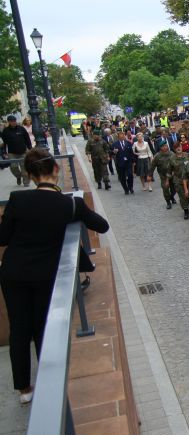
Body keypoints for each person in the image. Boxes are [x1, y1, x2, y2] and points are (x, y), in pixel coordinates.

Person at [0, 147, 109, 403]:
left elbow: (3, 237)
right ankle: (50, 381)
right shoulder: (71, 204)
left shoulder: (17, 199)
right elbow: (102, 226)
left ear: (30, 175)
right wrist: (76, 217)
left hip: (13, 272)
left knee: (19, 329)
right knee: (41, 326)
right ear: (56, 170)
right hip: (45, 274)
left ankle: (24, 389)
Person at [1, 115, 32, 186]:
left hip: (23, 151)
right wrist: (4, 153)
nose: (14, 122)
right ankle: (18, 176)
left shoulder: (21, 129)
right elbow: (4, 143)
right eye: (12, 121)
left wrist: (29, 148)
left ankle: (26, 182)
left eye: (15, 121)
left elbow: (27, 139)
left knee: (24, 167)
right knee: (13, 167)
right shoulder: (5, 131)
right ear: (8, 122)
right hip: (12, 153)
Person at [150, 141, 178, 208]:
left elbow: (176, 164)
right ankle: (168, 202)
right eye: (163, 146)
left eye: (166, 145)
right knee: (165, 188)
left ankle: (172, 197)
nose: (165, 147)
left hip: (172, 175)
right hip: (163, 176)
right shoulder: (157, 156)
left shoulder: (172, 154)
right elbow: (152, 166)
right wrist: (150, 175)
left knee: (175, 188)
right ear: (161, 148)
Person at [170, 144, 189, 219]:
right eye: (176, 147)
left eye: (180, 147)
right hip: (178, 180)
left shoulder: (187, 155)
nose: (178, 148)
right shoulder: (172, 158)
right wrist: (168, 180)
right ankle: (186, 210)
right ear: (174, 149)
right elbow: (169, 170)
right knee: (182, 196)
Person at [111, 130, 135, 194]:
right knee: (122, 177)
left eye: (123, 136)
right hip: (120, 163)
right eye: (121, 137)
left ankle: (131, 187)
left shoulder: (128, 143)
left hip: (128, 162)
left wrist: (133, 161)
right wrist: (113, 152)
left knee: (130, 175)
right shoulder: (114, 144)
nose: (122, 138)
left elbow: (131, 153)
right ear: (118, 137)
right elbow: (110, 152)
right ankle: (125, 189)